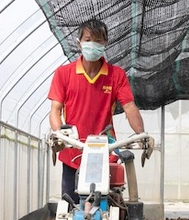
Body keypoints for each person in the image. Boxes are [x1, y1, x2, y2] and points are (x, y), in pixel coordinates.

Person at [48, 18, 145, 203]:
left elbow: (129, 106)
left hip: (105, 150)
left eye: (98, 40)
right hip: (73, 152)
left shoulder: (116, 75)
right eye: (88, 39)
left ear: (105, 43)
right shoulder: (64, 73)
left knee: (109, 204)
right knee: (71, 208)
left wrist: (142, 134)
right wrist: (61, 135)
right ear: (79, 43)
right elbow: (55, 110)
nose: (92, 44)